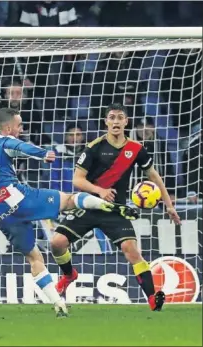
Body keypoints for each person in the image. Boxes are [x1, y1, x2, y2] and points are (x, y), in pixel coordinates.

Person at [0, 107, 137, 317]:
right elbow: (19, 146)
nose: (21, 129)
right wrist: (44, 154)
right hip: (18, 198)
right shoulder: (4, 141)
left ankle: (58, 305)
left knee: (34, 258)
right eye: (18, 126)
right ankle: (109, 205)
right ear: (8, 127)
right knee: (70, 200)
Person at [50, 103, 181, 312]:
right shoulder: (94, 147)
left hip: (116, 210)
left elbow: (154, 176)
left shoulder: (136, 149)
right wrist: (99, 191)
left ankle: (153, 299)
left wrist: (169, 205)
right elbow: (77, 180)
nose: (116, 121)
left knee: (131, 251)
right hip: (90, 206)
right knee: (57, 243)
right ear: (106, 122)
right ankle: (68, 275)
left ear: (126, 122)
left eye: (120, 117)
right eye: (112, 117)